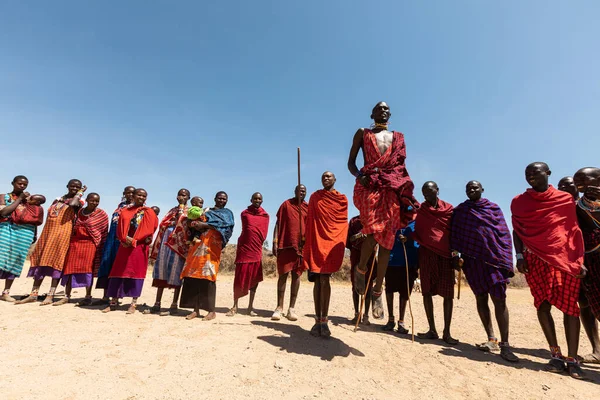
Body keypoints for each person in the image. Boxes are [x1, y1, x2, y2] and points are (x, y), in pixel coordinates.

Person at [512, 162, 586, 379]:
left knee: (570, 308)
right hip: (534, 259)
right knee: (542, 305)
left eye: (535, 172)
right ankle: (555, 355)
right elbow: (518, 230)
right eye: (527, 174)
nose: (531, 176)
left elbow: (572, 230)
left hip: (563, 259)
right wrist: (519, 256)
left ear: (548, 173)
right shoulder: (519, 202)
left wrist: (578, 258)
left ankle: (573, 359)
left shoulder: (564, 200)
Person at [348, 101, 417, 319]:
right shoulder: (362, 133)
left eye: (387, 109)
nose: (384, 111)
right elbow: (351, 164)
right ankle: (360, 270)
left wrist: (401, 185)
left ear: (390, 114)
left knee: (388, 238)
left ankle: (377, 289)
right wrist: (362, 177)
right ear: (372, 113)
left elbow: (400, 166)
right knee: (372, 229)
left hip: (391, 187)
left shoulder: (399, 137)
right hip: (370, 185)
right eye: (380, 108)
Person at [450, 181, 518, 362]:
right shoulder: (461, 212)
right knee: (480, 298)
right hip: (472, 262)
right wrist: (455, 256)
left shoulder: (493, 209)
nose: (472, 190)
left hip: (494, 261)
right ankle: (491, 339)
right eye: (468, 188)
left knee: (499, 300)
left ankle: (505, 344)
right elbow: (455, 236)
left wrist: (505, 259)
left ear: (482, 190)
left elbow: (504, 234)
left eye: (475, 188)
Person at [16, 179, 86, 305]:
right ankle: (34, 293)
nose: (74, 188)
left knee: (57, 262)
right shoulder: (57, 200)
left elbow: (73, 204)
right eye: (72, 186)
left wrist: (80, 193)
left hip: (63, 234)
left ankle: (50, 295)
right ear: (67, 186)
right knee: (41, 260)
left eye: (78, 187)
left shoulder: (79, 201)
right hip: (48, 233)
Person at [303, 172, 348, 338]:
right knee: (317, 281)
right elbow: (309, 221)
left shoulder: (342, 199)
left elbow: (342, 223)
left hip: (330, 244)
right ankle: (317, 320)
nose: (326, 178)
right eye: (323, 177)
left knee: (325, 280)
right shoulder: (315, 197)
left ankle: (325, 321)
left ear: (335, 179)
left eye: (329, 176)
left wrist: (338, 240)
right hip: (316, 242)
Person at [413, 181, 458, 345]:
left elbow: (454, 233)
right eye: (423, 191)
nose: (426, 193)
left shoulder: (449, 209)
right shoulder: (422, 210)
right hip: (426, 254)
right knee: (426, 292)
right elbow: (419, 231)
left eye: (429, 190)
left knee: (448, 294)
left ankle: (447, 332)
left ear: (437, 190)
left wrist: (455, 254)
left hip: (446, 255)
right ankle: (432, 329)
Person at [179, 191, 234, 321]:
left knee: (209, 277)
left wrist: (205, 225)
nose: (221, 200)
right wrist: (194, 225)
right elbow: (192, 220)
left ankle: (211, 311)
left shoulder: (227, 214)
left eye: (224, 198)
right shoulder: (206, 210)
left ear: (226, 201)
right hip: (197, 246)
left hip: (212, 248)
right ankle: (195, 309)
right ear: (214, 198)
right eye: (219, 198)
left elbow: (227, 226)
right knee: (194, 276)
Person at [102, 188, 159, 314]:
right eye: (139, 195)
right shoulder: (125, 211)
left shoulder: (149, 212)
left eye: (144, 196)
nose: (142, 198)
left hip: (139, 246)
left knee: (136, 273)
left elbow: (152, 229)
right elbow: (120, 227)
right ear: (133, 196)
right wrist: (124, 238)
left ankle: (133, 304)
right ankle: (113, 302)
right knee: (118, 271)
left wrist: (137, 239)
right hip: (125, 246)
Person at [58, 193, 109, 306]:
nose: (94, 203)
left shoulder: (102, 214)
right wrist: (80, 192)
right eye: (92, 200)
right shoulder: (79, 211)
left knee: (88, 271)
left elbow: (104, 232)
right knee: (70, 269)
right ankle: (67, 296)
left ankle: (88, 296)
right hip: (75, 243)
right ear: (86, 200)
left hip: (90, 245)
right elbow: (73, 205)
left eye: (97, 201)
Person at [146, 189, 191, 315]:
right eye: (180, 194)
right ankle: (157, 303)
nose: (181, 197)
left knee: (176, 272)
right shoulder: (172, 210)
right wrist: (170, 222)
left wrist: (181, 212)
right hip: (166, 242)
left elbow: (185, 225)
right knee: (162, 271)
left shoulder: (190, 211)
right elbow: (163, 224)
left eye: (184, 195)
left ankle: (174, 305)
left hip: (179, 245)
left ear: (188, 197)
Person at [0, 176, 44, 302]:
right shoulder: (4, 197)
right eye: (20, 184)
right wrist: (19, 199)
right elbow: (3, 213)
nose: (22, 186)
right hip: (5, 231)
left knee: (15, 261)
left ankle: (5, 292)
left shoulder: (31, 201)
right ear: (13, 183)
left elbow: (35, 218)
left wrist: (34, 234)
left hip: (24, 235)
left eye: (25, 184)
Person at [573, 167, 600, 365]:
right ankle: (598, 351)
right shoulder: (576, 206)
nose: (579, 182)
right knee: (594, 305)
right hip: (591, 261)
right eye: (577, 179)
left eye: (584, 178)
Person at [227, 192, 269, 317]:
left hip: (256, 249)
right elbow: (248, 229)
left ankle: (250, 307)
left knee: (254, 278)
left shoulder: (265, 216)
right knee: (239, 278)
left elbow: (263, 234)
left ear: (262, 201)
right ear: (251, 200)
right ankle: (235, 306)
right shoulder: (245, 214)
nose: (257, 200)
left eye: (259, 199)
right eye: (255, 198)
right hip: (244, 249)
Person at [271, 185, 308, 321]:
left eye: (304, 191)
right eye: (299, 190)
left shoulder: (307, 208)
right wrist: (275, 241)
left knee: (296, 276)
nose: (301, 193)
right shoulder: (286, 205)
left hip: (300, 247)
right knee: (283, 276)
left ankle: (291, 308)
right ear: (295, 192)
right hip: (285, 245)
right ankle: (279, 308)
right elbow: (277, 224)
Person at [95, 186, 135, 304]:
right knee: (107, 265)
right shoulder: (120, 206)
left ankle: (116, 297)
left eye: (132, 193)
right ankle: (105, 296)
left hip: (123, 243)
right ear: (124, 193)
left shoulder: (136, 209)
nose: (130, 195)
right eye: (128, 193)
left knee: (118, 268)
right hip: (112, 240)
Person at [381, 206, 418, 334]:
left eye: (407, 211)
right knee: (389, 290)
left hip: (409, 262)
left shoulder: (415, 223)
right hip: (392, 261)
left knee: (405, 293)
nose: (405, 213)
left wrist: (409, 240)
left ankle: (401, 321)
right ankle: (390, 320)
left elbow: (419, 240)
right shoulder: (391, 222)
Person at [346, 215, 376, 325]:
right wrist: (358, 236)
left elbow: (379, 238)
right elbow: (349, 239)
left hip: (370, 255)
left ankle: (366, 316)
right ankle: (356, 314)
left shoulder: (374, 220)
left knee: (368, 285)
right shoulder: (354, 221)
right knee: (355, 285)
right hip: (356, 254)